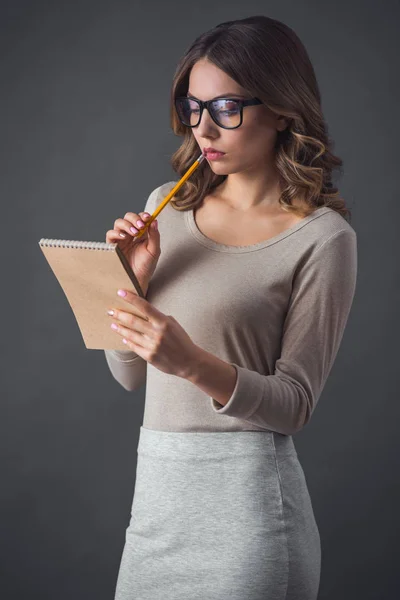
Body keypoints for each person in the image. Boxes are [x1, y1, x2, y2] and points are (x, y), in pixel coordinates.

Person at [104, 15, 357, 600]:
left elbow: (294, 405)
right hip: (157, 509)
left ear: (283, 109)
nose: (203, 130)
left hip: (250, 517)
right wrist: (129, 284)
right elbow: (127, 375)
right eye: (193, 109)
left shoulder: (322, 238)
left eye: (226, 109)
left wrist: (191, 361)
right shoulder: (161, 212)